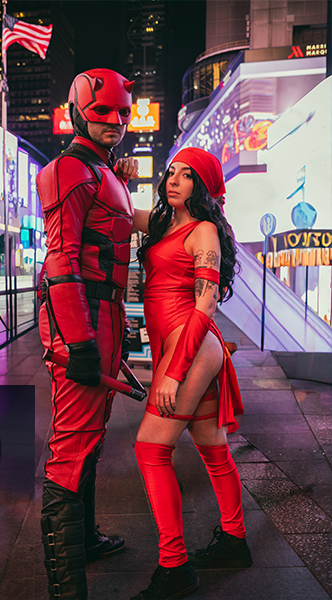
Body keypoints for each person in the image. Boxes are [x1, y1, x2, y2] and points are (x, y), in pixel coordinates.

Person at [127, 147, 248, 599]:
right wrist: (119, 174)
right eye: (171, 172)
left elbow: (206, 304)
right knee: (212, 447)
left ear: (203, 186)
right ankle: (234, 541)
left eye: (187, 174)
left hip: (190, 346)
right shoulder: (165, 224)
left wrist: (173, 373)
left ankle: (174, 566)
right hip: (181, 345)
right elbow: (123, 214)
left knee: (150, 449)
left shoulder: (204, 231)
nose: (173, 180)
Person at [36, 68, 136, 600]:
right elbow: (61, 259)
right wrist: (78, 341)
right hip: (84, 320)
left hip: (105, 317)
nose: (114, 121)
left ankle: (86, 542)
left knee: (91, 438)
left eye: (122, 113)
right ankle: (66, 589)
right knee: (72, 448)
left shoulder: (101, 171)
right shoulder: (69, 170)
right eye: (102, 112)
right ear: (77, 113)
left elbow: (113, 236)